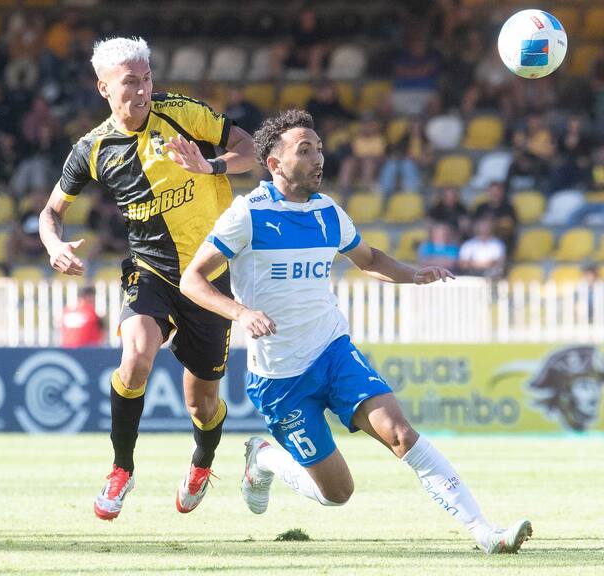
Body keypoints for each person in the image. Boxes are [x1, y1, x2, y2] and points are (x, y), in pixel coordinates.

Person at [180, 110, 532, 554]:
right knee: (337, 493)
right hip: (279, 379)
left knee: (401, 433)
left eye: (320, 149)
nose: (318, 159)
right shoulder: (247, 215)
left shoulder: (329, 213)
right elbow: (191, 280)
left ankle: (485, 532)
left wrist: (412, 274)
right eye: (304, 151)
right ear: (273, 163)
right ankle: (264, 457)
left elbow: (369, 259)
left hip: (333, 353)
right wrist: (239, 311)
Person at [38, 37, 256, 520]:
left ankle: (202, 461)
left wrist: (213, 164)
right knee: (135, 355)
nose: (142, 90)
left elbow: (250, 149)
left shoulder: (182, 113)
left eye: (147, 78)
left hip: (210, 274)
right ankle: (121, 468)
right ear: (104, 88)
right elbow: (50, 212)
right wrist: (54, 245)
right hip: (150, 269)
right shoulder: (93, 149)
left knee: (202, 404)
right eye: (130, 82)